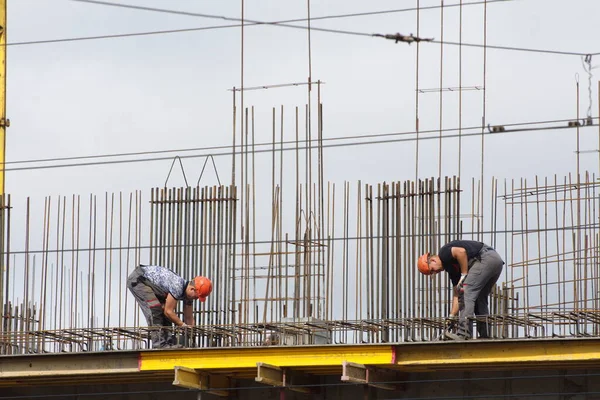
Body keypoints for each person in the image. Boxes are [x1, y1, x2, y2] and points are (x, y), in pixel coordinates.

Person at [417, 240, 504, 340]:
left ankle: (464, 333)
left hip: (484, 259)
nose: (435, 272)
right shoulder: (452, 270)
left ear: (433, 261)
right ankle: (485, 333)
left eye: (432, 270)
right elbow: (456, 295)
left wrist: (464, 274)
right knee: (479, 297)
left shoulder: (443, 254)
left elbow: (461, 252)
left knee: (466, 291)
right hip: (495, 261)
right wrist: (452, 316)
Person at [127, 264, 212, 349]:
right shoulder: (177, 286)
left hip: (152, 285)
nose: (196, 299)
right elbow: (169, 311)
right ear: (192, 289)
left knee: (164, 310)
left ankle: (168, 342)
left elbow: (189, 317)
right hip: (139, 280)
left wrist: (191, 335)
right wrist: (181, 324)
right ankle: (159, 344)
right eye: (197, 296)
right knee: (155, 309)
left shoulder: (189, 295)